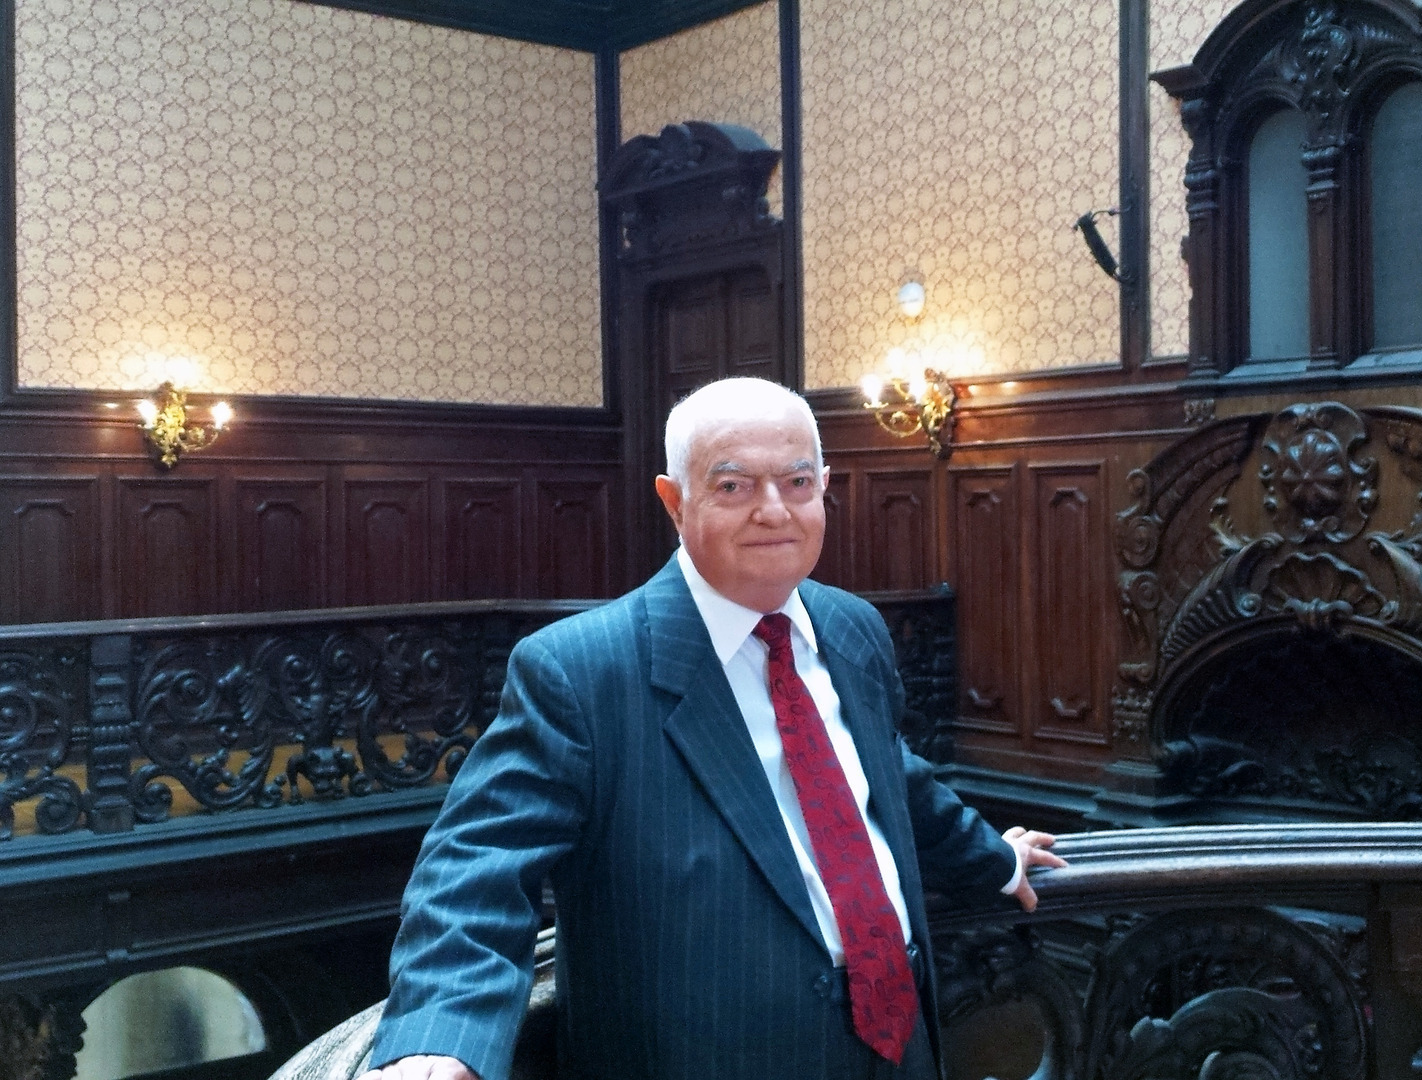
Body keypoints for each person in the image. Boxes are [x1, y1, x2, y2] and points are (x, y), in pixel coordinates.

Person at [365, 377, 1065, 1080]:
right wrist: (439, 1039)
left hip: (900, 1041)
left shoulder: (853, 627)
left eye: (796, 482)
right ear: (675, 501)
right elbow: (476, 866)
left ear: (824, 487)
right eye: (733, 486)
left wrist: (995, 859)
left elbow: (882, 776)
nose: (773, 511)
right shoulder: (580, 671)